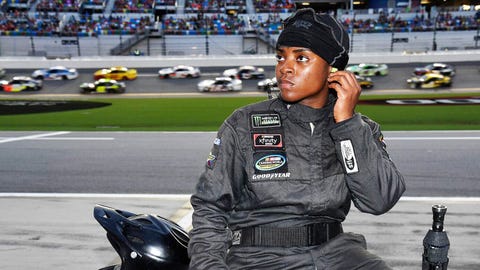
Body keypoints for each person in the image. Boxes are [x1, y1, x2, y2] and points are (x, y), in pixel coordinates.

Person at [188, 8, 406, 270]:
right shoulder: (244, 123)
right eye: (281, 57)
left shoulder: (360, 129)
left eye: (301, 58)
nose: (285, 69)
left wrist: (347, 124)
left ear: (333, 70)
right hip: (259, 257)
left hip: (338, 254)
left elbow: (379, 200)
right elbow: (209, 207)